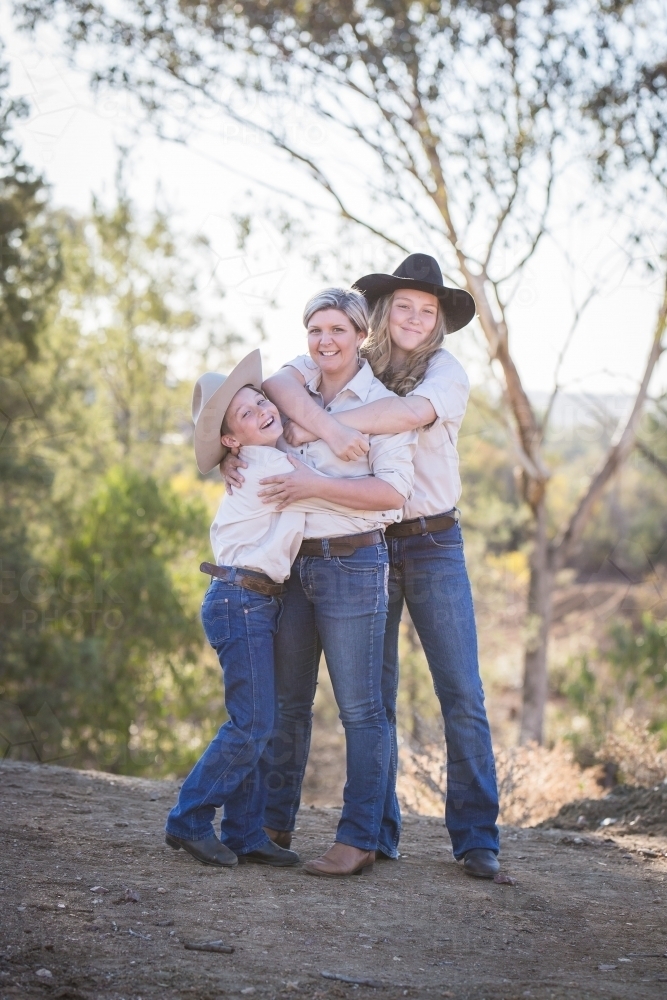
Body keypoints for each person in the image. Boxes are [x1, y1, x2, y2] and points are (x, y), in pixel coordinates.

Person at [235, 254, 500, 879]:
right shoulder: (353, 356)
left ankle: (476, 838)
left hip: (431, 541)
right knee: (373, 695)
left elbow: (405, 417)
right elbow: (276, 384)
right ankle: (377, 833)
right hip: (364, 545)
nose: (412, 318)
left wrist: (314, 431)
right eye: (402, 306)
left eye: (426, 311)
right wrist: (306, 425)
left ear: (438, 323)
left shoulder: (447, 373)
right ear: (381, 314)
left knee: (459, 690)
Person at [232, 287, 417, 878]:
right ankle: (271, 823)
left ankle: (359, 837)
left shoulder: (385, 406)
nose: (325, 341)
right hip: (291, 568)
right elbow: (245, 425)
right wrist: (226, 456)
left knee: (361, 709)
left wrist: (314, 485)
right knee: (287, 705)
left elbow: (392, 495)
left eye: (337, 329)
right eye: (315, 330)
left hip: (354, 565)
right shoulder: (291, 394)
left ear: (361, 335)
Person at [165, 349, 360, 868]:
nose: (263, 412)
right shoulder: (267, 467)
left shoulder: (258, 457)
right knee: (251, 724)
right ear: (230, 440)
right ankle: (187, 819)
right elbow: (327, 496)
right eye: (245, 415)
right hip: (240, 600)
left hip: (256, 599)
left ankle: (246, 831)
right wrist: (382, 496)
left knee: (261, 720)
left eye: (259, 401)